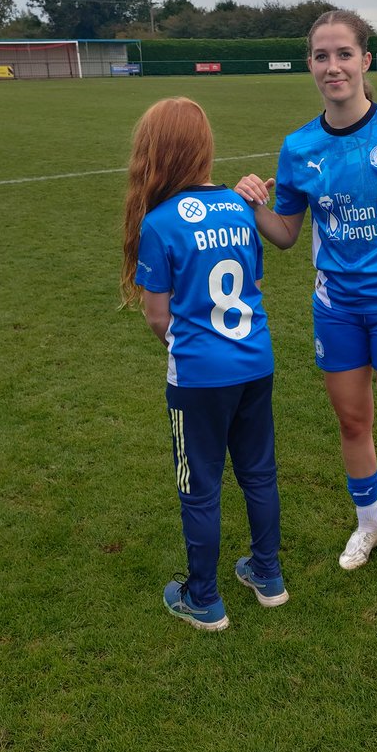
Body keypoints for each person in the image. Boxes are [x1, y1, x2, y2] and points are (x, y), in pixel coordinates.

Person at [236, 10, 377, 591]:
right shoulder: (298, 147)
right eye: (320, 56)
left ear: (365, 61)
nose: (332, 66)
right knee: (352, 424)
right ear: (310, 65)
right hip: (334, 308)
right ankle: (370, 526)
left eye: (342, 54)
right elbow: (285, 235)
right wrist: (253, 203)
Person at [121, 96, 288, 631]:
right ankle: (268, 576)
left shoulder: (160, 222)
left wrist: (188, 344)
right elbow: (255, 285)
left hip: (198, 375)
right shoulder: (240, 208)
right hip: (255, 361)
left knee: (199, 485)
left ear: (155, 152)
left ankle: (203, 598)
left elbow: (156, 315)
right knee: (259, 473)